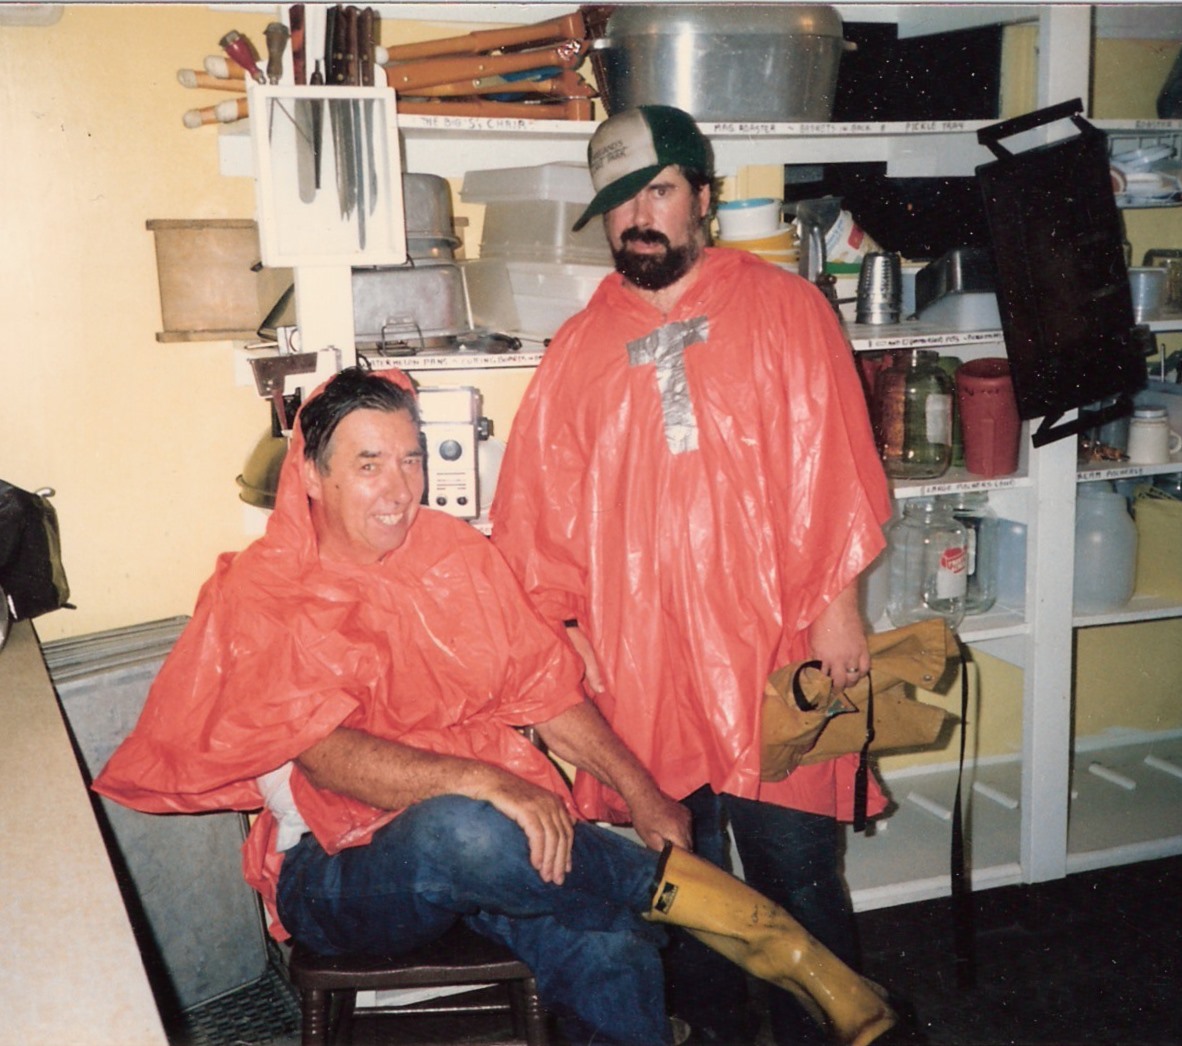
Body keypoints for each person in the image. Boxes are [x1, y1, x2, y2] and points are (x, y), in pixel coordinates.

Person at [94, 367, 894, 1046]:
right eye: (369, 464)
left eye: (410, 460)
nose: (398, 489)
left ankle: (678, 926)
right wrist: (492, 783)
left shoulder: (454, 553)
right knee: (465, 826)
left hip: (498, 850)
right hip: (339, 872)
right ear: (310, 474)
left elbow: (544, 691)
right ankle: (766, 933)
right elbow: (330, 757)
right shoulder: (263, 591)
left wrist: (642, 792)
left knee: (612, 949)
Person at [490, 106, 894, 1045]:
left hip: (776, 646)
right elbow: (537, 512)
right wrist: (570, 637)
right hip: (645, 667)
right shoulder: (578, 349)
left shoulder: (789, 311)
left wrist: (837, 608)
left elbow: (831, 468)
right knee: (686, 885)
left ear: (702, 198)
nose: (640, 218)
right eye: (621, 201)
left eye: (660, 192)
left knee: (799, 874)